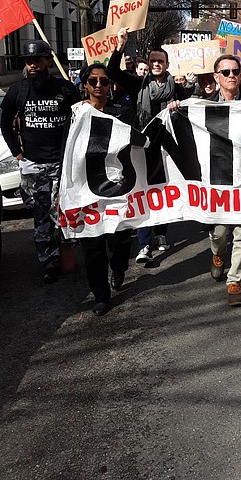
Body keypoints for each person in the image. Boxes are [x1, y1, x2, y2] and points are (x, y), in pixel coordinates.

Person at [169, 54, 241, 306]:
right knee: (220, 233)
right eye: (226, 72)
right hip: (217, 179)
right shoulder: (202, 105)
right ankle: (217, 254)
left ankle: (234, 282)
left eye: (235, 71)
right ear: (216, 77)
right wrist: (176, 111)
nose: (232, 76)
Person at [0, 39, 81, 283]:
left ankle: (67, 252)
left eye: (37, 60)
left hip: (62, 165)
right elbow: (5, 125)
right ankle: (49, 262)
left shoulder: (65, 89)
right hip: (33, 167)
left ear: (47, 61)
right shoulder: (18, 90)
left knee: (63, 214)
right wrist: (18, 155)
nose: (32, 65)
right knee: (40, 216)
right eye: (28, 61)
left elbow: (80, 121)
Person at [107, 27, 190, 261]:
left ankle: (162, 232)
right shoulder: (138, 85)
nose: (155, 64)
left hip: (168, 148)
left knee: (165, 191)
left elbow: (193, 110)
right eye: (152, 60)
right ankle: (144, 244)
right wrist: (120, 46)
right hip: (142, 147)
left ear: (166, 64)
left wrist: (179, 107)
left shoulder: (178, 89)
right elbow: (112, 71)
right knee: (144, 192)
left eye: (160, 61)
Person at [71, 64, 137, 315]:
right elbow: (66, 155)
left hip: (117, 188)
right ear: (85, 84)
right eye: (93, 81)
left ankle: (119, 267)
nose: (98, 85)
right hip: (85, 189)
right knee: (91, 246)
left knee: (119, 240)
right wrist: (62, 192)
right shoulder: (75, 115)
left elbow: (137, 143)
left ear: (111, 85)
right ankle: (100, 294)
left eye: (104, 81)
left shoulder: (123, 113)